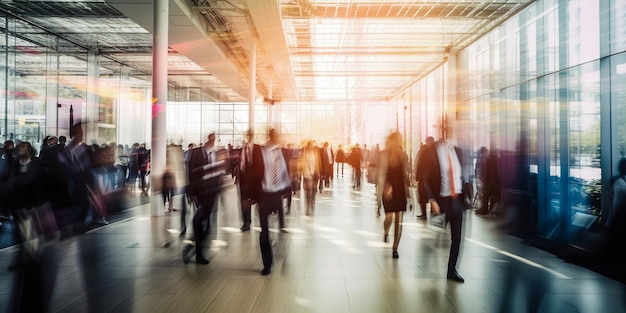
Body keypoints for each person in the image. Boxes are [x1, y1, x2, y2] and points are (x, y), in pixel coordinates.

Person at [422, 135, 468, 283]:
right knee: (434, 237)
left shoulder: (459, 151)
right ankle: (427, 266)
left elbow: (462, 175)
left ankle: (451, 270)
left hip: (457, 201)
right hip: (440, 202)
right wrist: (432, 199)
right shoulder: (431, 152)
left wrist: (466, 194)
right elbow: (426, 178)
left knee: (457, 238)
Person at [184, 133, 227, 265]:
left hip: (212, 193)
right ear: (209, 140)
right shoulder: (196, 153)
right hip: (200, 193)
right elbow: (191, 173)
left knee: (208, 225)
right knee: (200, 220)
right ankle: (197, 252)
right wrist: (192, 193)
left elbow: (216, 173)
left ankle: (194, 246)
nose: (214, 141)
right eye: (213, 139)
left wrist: (219, 188)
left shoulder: (214, 155)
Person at [253, 128, 292, 275]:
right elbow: (253, 173)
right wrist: (253, 196)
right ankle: (267, 263)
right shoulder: (260, 151)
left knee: (274, 224)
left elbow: (284, 172)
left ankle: (273, 245)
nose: (278, 137)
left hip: (276, 194)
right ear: (270, 136)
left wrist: (288, 189)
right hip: (264, 194)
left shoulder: (281, 151)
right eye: (276, 135)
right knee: (264, 230)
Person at [377, 132, 409, 259]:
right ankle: (385, 231)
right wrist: (384, 187)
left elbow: (405, 175)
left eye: (398, 140)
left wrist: (410, 196)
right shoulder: (384, 155)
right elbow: (380, 174)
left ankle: (395, 247)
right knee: (389, 216)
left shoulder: (403, 155)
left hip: (400, 190)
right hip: (388, 191)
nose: (396, 142)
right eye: (394, 140)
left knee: (399, 220)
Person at [236, 129, 261, 232]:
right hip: (243, 180)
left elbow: (260, 166)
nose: (248, 137)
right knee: (244, 202)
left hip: (254, 181)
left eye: (250, 135)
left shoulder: (257, 149)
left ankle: (260, 222)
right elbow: (239, 164)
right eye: (247, 135)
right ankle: (246, 222)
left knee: (255, 202)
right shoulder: (241, 149)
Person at [298, 140, 321, 216]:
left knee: (313, 192)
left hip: (314, 175)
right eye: (310, 145)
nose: (311, 146)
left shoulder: (316, 153)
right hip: (306, 175)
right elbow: (300, 163)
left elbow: (318, 163)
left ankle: (311, 204)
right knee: (307, 192)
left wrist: (319, 173)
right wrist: (299, 174)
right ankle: (308, 207)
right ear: (308, 146)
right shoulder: (304, 153)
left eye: (312, 145)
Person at [415, 136, 435, 220]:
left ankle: (424, 213)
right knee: (431, 195)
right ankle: (432, 212)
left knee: (423, 196)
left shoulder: (423, 151)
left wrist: (417, 176)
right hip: (431, 178)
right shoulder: (435, 151)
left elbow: (419, 164)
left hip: (424, 178)